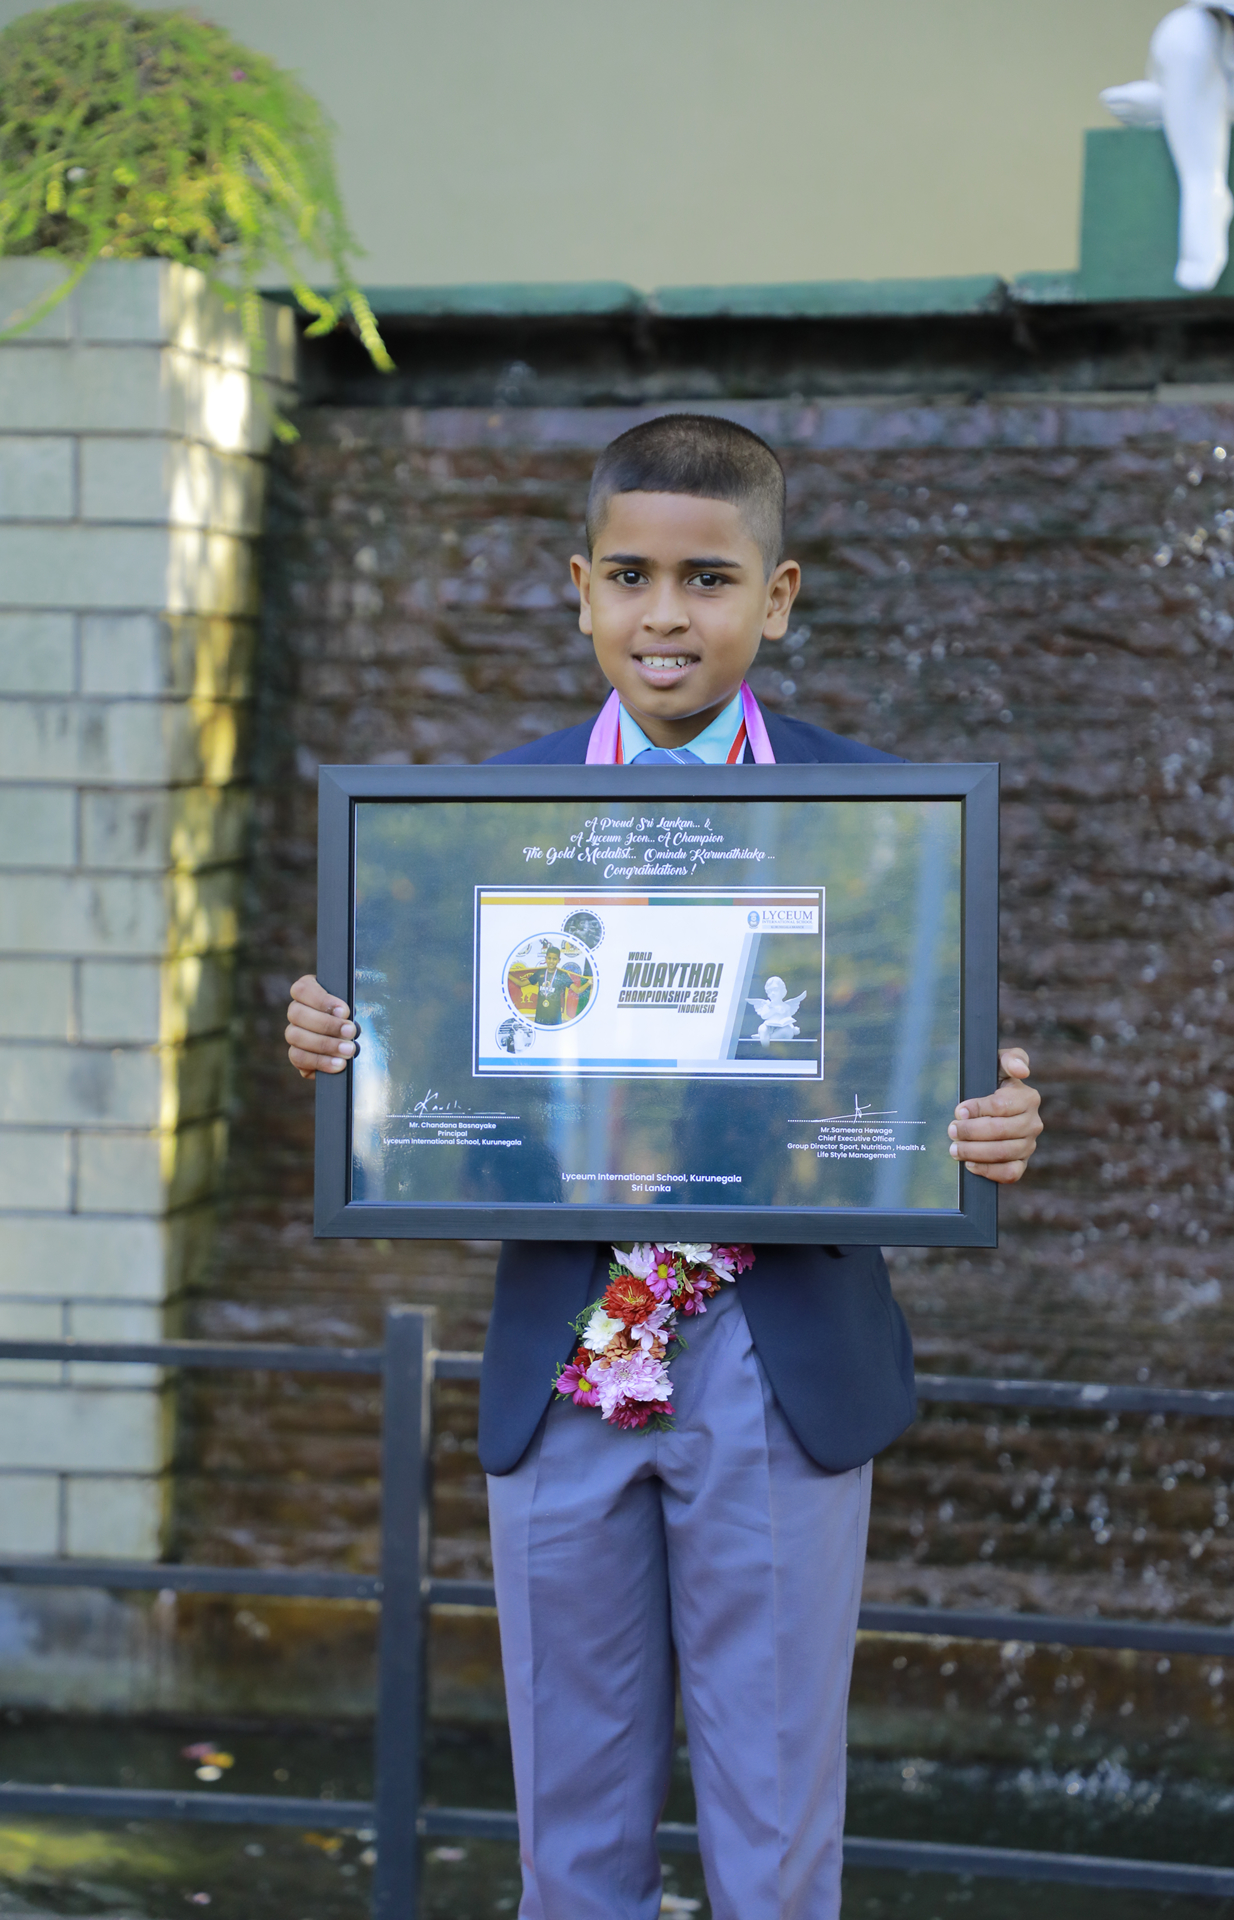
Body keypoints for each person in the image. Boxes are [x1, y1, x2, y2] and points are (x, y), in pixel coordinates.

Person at [286, 415, 1044, 1920]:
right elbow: (430, 1054)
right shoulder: (465, 823)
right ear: (579, 589)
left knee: (774, 1839)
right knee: (568, 1837)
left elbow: (928, 1077)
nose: (664, 615)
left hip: (777, 1359)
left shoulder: (885, 823)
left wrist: (997, 1119)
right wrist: (341, 1038)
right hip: (564, 1353)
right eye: (630, 575)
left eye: (708, 579)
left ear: (778, 597)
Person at [1102, 3, 1234, 290]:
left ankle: (1173, 105)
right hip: (1228, 25)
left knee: (1193, 72)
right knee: (1183, 33)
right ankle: (1205, 193)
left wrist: (1169, 103)